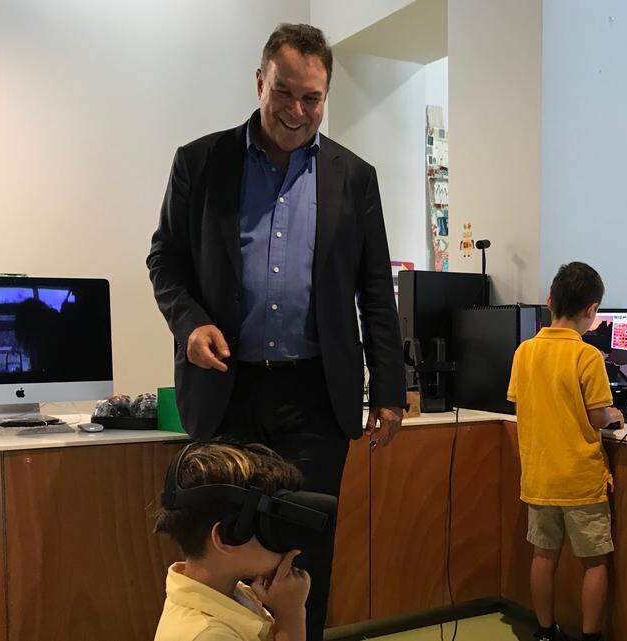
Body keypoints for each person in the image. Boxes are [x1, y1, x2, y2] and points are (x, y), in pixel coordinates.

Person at [147, 24, 406, 640]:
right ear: (259, 82)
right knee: (227, 551)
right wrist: (191, 322)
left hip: (316, 398)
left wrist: (390, 388)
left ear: (326, 96)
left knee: (305, 553)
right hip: (226, 390)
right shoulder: (201, 162)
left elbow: (375, 288)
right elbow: (166, 259)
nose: (296, 111)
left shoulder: (354, 176)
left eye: (311, 98)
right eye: (283, 92)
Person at [506, 262, 622, 641]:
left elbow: (524, 403)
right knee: (594, 562)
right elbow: (596, 417)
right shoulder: (587, 357)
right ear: (591, 311)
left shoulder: (524, 352)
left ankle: (544, 631)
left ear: (549, 301)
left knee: (543, 556)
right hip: (580, 480)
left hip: (539, 476)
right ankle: (590, 637)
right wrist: (614, 413)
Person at [153, 441, 311, 641]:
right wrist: (291, 616)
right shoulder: (208, 635)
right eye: (273, 529)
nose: (289, 545)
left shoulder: (235, 592)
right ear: (226, 536)